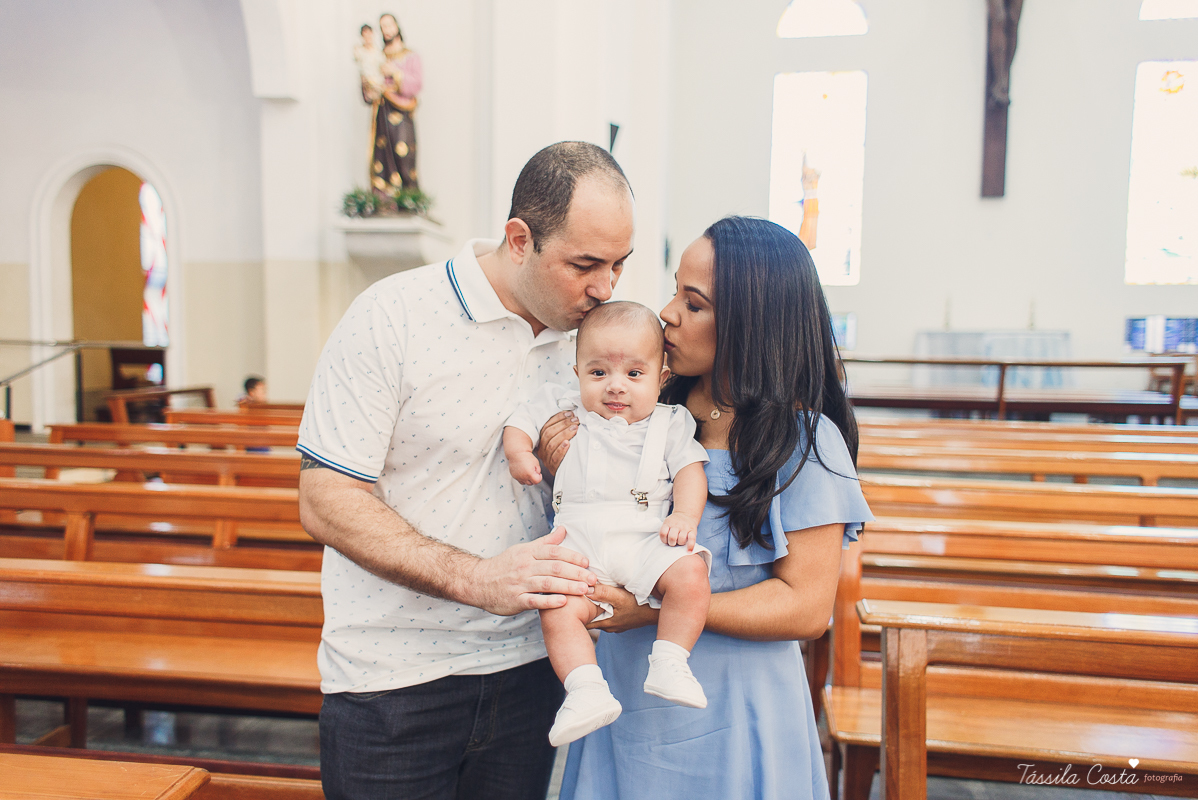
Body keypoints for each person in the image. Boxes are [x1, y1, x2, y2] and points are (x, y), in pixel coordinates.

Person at [296, 141, 635, 800]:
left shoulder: (595, 345)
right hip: (393, 681)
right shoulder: (392, 316)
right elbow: (325, 498)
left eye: (619, 265)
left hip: (533, 669)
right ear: (518, 239)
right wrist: (478, 578)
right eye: (585, 264)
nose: (605, 288)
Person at [556, 216, 874, 800]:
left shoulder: (804, 440)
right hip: (625, 700)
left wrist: (652, 609)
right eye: (675, 290)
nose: (668, 313)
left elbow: (806, 609)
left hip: (735, 711)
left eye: (694, 303)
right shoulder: (641, 410)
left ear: (752, 324)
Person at [503, 301, 712, 748]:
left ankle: (671, 661)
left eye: (634, 375)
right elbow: (519, 422)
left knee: (691, 573)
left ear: (661, 377)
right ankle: (584, 692)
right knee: (558, 609)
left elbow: (691, 472)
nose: (615, 387)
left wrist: (684, 516)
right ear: (577, 371)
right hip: (578, 544)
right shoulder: (564, 407)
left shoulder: (670, 423)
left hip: (643, 539)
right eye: (598, 373)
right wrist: (521, 452)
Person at [367, 12, 422, 203]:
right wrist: (370, 84)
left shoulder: (410, 56)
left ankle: (407, 199)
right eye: (383, 27)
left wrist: (396, 73)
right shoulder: (377, 56)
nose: (387, 30)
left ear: (397, 27)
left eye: (389, 25)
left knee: (403, 155)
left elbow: (416, 85)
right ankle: (384, 200)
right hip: (382, 114)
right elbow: (369, 86)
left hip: (400, 114)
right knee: (382, 158)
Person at [354, 23, 385, 98]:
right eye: (365, 35)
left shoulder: (378, 52)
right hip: (366, 83)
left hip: (378, 82)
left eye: (369, 34)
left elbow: (382, 66)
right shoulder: (359, 51)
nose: (367, 37)